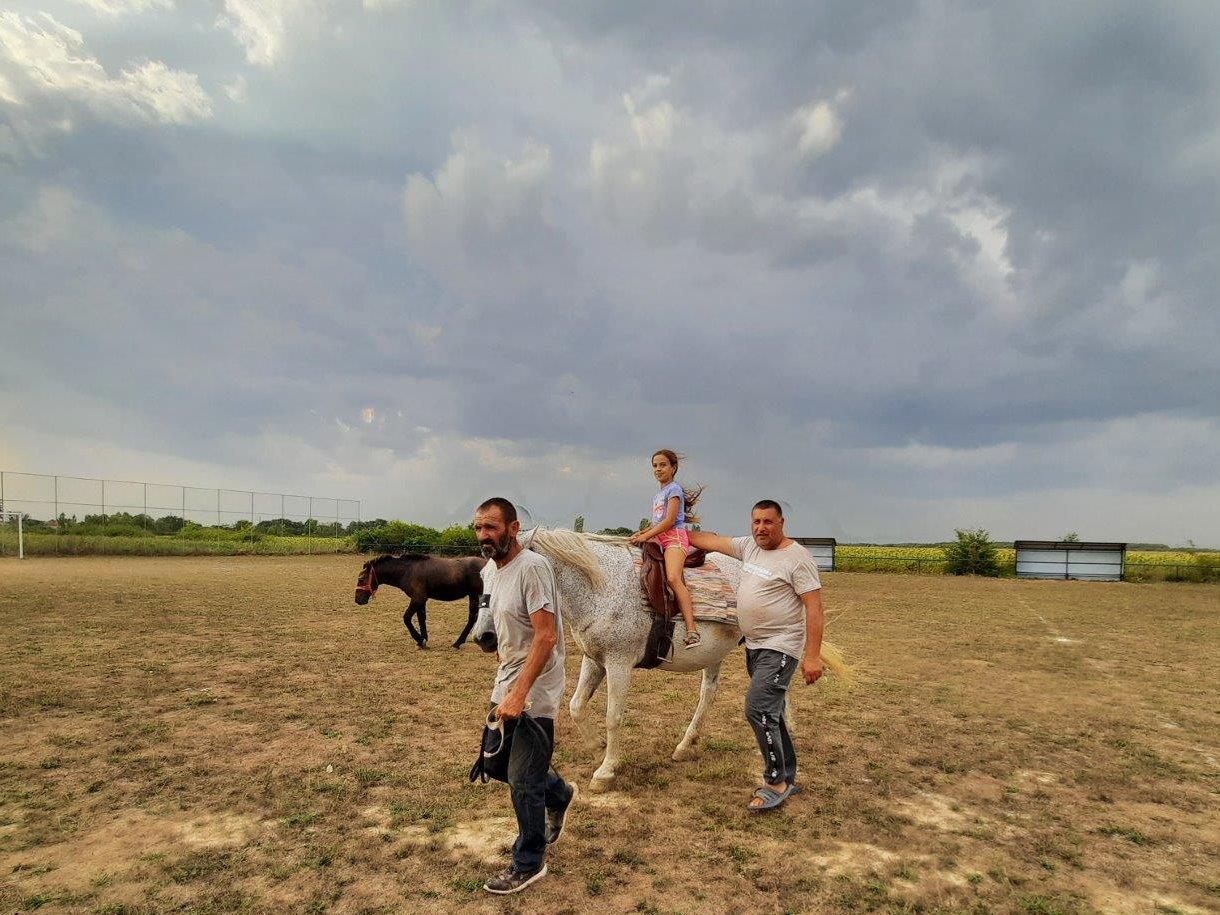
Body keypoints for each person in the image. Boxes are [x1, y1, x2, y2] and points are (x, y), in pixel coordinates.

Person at [688, 500, 824, 810]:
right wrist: (674, 532)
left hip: (782, 646)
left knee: (758, 709)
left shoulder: (796, 558)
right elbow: (710, 540)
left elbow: (814, 607)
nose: (761, 528)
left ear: (781, 523)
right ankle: (787, 776)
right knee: (771, 712)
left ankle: (775, 781)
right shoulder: (750, 546)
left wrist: (813, 656)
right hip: (755, 645)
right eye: (756, 522)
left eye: (768, 522)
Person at [472, 497, 577, 894]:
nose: (484, 535)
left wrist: (520, 694)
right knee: (497, 766)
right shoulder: (490, 571)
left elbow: (546, 636)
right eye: (479, 528)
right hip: (507, 681)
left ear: (513, 529)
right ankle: (559, 793)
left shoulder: (533, 568)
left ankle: (528, 861)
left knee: (522, 779)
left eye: (492, 527)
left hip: (537, 689)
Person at [628, 449, 704, 648]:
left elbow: (669, 521)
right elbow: (656, 523)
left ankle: (692, 629)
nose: (658, 469)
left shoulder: (674, 490)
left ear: (673, 468)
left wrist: (646, 536)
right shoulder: (658, 495)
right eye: (655, 465)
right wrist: (641, 533)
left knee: (673, 578)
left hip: (674, 540)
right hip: (659, 538)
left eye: (662, 465)